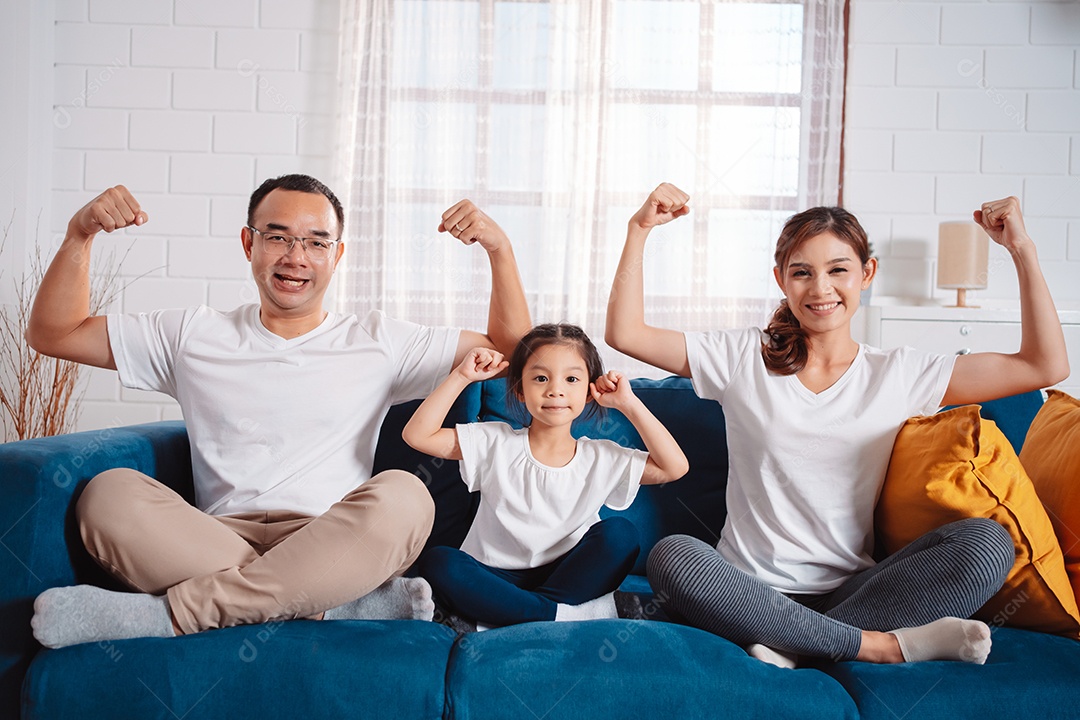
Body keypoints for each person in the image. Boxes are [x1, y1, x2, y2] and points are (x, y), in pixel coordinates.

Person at [26, 174, 532, 649]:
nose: (296, 257)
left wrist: (500, 249)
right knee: (109, 493)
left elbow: (519, 356)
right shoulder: (189, 333)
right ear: (249, 244)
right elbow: (56, 333)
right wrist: (80, 234)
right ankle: (334, 606)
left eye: (316, 242)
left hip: (335, 540)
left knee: (407, 496)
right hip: (212, 539)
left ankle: (170, 616)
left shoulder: (380, 340)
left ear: (337, 255)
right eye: (278, 237)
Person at [605, 183, 1069, 667]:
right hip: (747, 590)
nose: (820, 288)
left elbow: (1044, 365)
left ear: (866, 274)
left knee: (988, 543)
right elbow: (626, 333)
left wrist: (1021, 248)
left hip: (853, 592)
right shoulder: (743, 355)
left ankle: (795, 645)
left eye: (838, 270)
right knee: (675, 556)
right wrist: (639, 230)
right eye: (802, 272)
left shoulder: (901, 372)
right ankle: (877, 647)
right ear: (781, 280)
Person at [402, 323, 689, 628]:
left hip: (567, 574)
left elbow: (673, 468)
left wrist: (629, 405)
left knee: (621, 534)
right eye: (540, 378)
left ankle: (511, 611)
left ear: (589, 392)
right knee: (439, 561)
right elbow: (418, 435)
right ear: (519, 391)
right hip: (494, 574)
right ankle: (558, 615)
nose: (556, 389)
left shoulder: (601, 456)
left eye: (572, 379)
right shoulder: (494, 441)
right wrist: (461, 376)